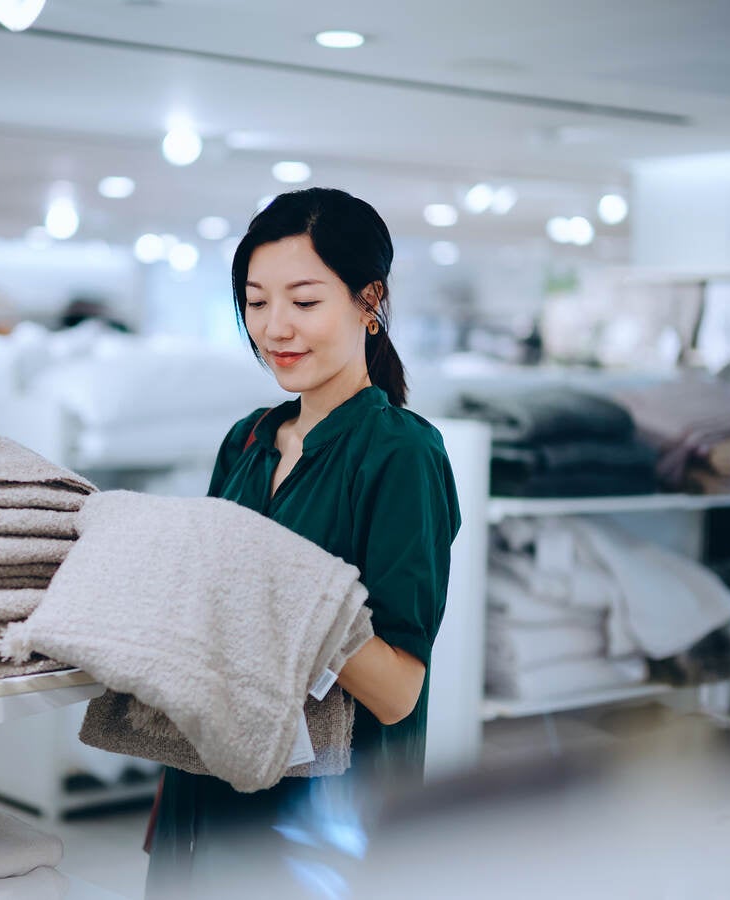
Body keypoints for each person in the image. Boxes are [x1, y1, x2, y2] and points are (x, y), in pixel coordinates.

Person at [145, 187, 461, 897]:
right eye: (257, 302)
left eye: (305, 301)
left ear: (368, 300)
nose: (275, 327)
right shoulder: (250, 438)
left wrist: (284, 589)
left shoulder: (401, 454)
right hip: (207, 785)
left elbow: (398, 693)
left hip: (322, 829)